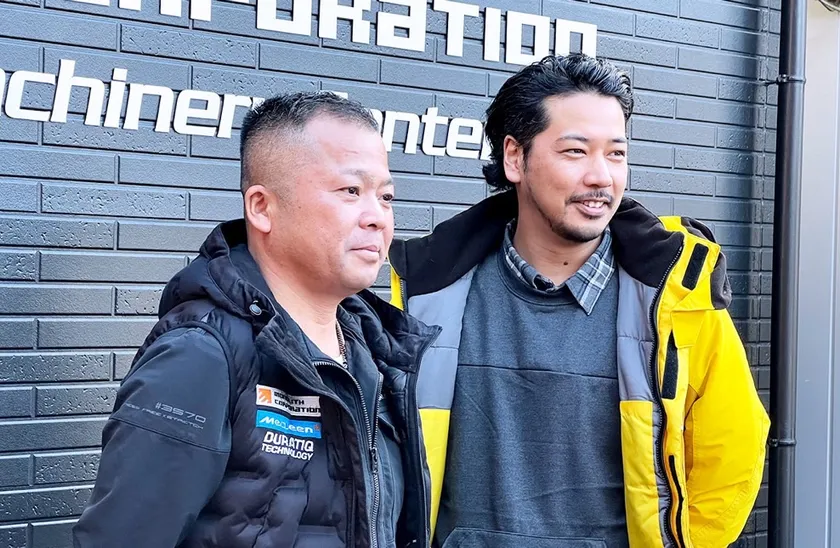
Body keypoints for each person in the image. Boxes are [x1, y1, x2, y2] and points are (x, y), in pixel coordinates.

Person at [388, 53, 770, 548]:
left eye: (616, 154)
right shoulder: (431, 293)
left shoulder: (676, 298)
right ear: (514, 158)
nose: (601, 177)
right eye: (575, 151)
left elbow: (733, 448)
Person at [72, 91, 439, 548]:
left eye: (385, 197)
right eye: (351, 191)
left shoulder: (380, 354)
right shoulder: (202, 354)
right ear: (262, 207)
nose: (378, 218)